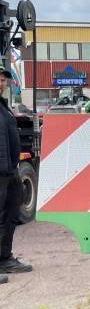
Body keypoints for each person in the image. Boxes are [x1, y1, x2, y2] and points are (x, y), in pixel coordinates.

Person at [0, 67, 29, 281]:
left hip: (9, 170)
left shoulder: (3, 107)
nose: (1, 83)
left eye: (2, 80)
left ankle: (4, 258)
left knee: (11, 215)